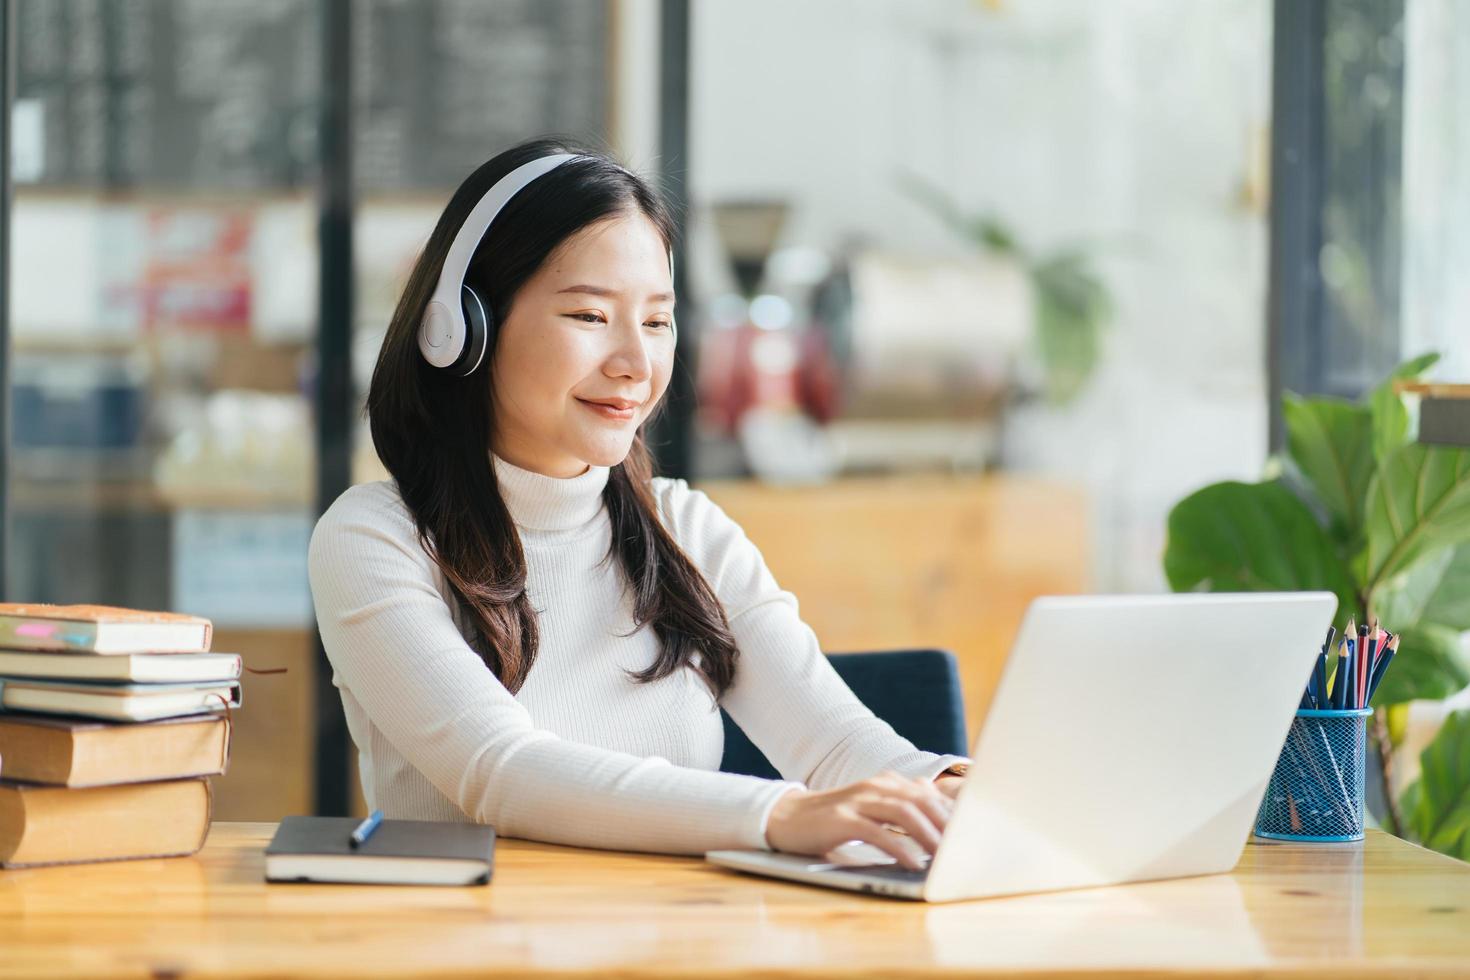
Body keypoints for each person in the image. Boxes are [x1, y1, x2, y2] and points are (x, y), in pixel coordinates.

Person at [307, 136, 970, 871]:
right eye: (590, 317)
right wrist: (780, 813)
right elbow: (502, 772)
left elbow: (840, 745)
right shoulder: (375, 539)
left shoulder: (684, 528)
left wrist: (946, 786)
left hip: (675, 941)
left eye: (657, 321)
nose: (636, 363)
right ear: (465, 330)